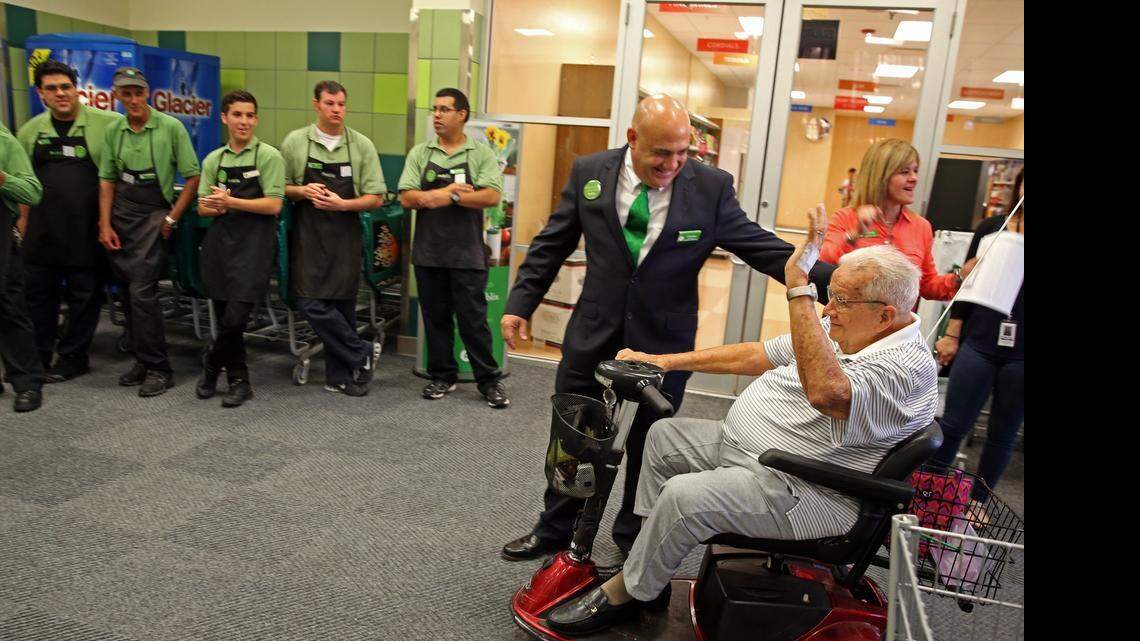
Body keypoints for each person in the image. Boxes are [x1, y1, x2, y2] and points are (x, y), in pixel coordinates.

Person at [544, 233, 938, 636]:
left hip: (806, 487)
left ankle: (627, 591)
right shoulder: (850, 330)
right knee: (663, 437)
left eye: (841, 300)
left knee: (684, 496)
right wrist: (663, 360)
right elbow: (758, 354)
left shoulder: (902, 369)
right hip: (756, 455)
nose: (829, 309)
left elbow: (825, 392)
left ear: (884, 316)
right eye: (829, 295)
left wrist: (799, 287)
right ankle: (647, 570)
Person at [499, 94, 835, 563]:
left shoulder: (710, 186)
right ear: (633, 138)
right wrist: (521, 303)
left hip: (666, 343)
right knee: (575, 438)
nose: (673, 163)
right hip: (593, 334)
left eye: (683, 153)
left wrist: (836, 277)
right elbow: (552, 244)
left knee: (650, 444)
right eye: (661, 153)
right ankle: (555, 529)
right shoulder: (590, 172)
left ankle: (630, 540)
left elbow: (757, 246)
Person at [397, 88, 508, 408]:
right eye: (435, 109)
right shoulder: (421, 152)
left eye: (445, 109)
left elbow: (490, 196)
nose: (437, 115)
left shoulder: (480, 153)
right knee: (435, 318)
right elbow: (406, 197)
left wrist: (448, 197)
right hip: (429, 252)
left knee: (473, 321)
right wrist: (440, 193)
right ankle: (442, 376)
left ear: (462, 114)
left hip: (467, 254)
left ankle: (489, 382)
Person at [16, 60, 123, 383]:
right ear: (41, 94)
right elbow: (24, 182)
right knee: (39, 296)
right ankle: (39, 354)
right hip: (43, 230)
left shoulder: (108, 124)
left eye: (66, 87)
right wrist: (22, 225)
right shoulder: (30, 131)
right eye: (52, 88)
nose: (60, 93)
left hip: (87, 229)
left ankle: (74, 357)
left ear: (77, 89)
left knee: (85, 296)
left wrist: (108, 223)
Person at [98, 66, 200, 397]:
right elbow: (107, 179)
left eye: (138, 92)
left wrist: (171, 218)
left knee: (143, 291)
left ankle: (159, 368)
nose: (133, 99)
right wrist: (104, 223)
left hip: (155, 214)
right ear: (117, 97)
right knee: (127, 291)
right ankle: (141, 360)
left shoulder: (170, 128)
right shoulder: (115, 131)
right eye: (126, 93)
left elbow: (193, 176)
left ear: (148, 93)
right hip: (121, 214)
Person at [280, 80, 385, 396]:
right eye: (329, 103)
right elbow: (278, 186)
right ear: (316, 105)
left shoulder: (360, 145)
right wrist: (301, 190)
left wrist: (344, 204)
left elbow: (376, 196)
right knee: (308, 299)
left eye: (341, 104)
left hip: (345, 236)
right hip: (308, 235)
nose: (336, 110)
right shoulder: (296, 142)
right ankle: (361, 351)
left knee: (342, 305)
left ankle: (341, 376)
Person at [928, 168, 1024, 502]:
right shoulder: (992, 228)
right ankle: (926, 496)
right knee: (953, 424)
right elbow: (967, 287)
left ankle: (977, 504)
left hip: (1021, 353)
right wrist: (952, 335)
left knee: (1003, 433)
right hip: (979, 340)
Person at [194, 90, 286, 407]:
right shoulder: (213, 160)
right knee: (224, 319)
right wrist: (216, 205)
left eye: (249, 115)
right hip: (220, 247)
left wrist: (229, 201)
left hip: (254, 248)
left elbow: (274, 204)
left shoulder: (269, 156)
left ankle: (210, 363)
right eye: (237, 114)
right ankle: (239, 381)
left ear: (256, 119)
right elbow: (202, 208)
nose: (244, 121)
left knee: (236, 319)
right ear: (225, 118)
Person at [820, 138, 965, 302]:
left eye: (915, 170)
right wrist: (856, 234)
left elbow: (927, 285)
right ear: (881, 176)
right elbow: (824, 262)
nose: (914, 178)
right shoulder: (845, 218)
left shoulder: (921, 227)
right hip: (847, 322)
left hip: (899, 326)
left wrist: (960, 277)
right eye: (905, 172)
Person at [0, 125, 45, 412]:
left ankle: (27, 382)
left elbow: (32, 191)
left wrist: (2, 178)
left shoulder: (4, 142)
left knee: (7, 304)